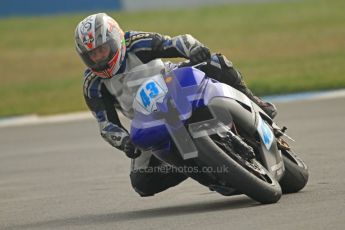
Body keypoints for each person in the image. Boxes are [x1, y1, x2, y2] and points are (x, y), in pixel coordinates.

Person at [75, 13, 277, 197]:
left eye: (102, 50)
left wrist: (194, 50)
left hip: (174, 84)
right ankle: (201, 166)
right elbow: (106, 125)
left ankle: (254, 100)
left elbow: (178, 42)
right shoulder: (93, 84)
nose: (98, 58)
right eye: (91, 55)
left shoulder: (137, 43)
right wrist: (124, 142)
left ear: (116, 39)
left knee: (217, 62)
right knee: (142, 183)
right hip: (148, 120)